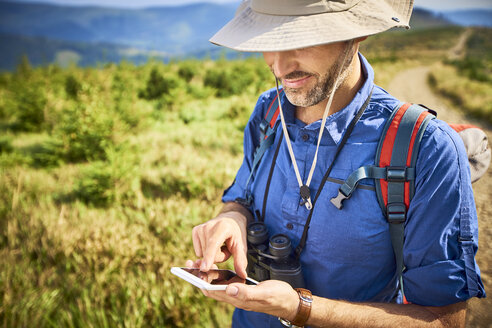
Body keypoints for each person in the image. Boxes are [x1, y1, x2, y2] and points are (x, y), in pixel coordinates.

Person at [187, 0, 485, 327]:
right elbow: (241, 198)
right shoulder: (268, 112)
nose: (279, 64)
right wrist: (232, 218)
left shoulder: (427, 149)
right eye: (269, 39)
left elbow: (443, 320)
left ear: (358, 33)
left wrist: (301, 309)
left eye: (301, 36)